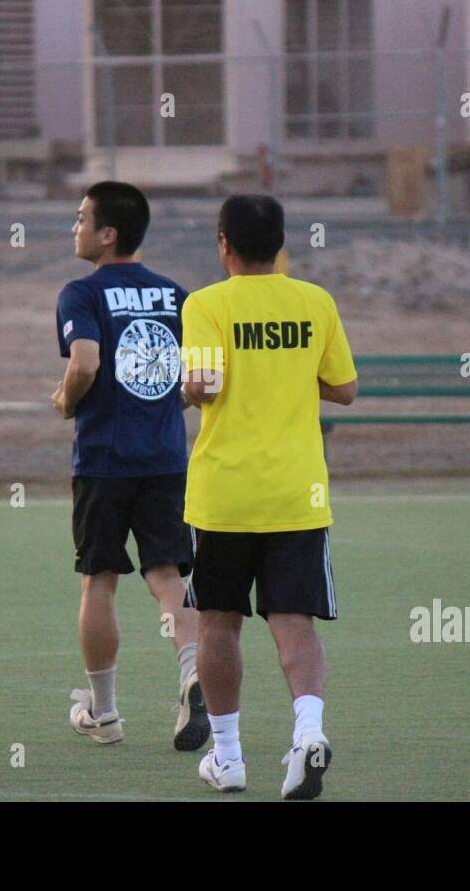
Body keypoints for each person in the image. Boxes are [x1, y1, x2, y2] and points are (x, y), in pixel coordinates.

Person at [180, 194, 358, 799]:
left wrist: (179, 390)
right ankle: (307, 733)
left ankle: (227, 758)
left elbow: (204, 384)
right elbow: (345, 388)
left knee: (218, 624)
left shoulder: (205, 304)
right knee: (294, 623)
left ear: (224, 243)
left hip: (225, 494)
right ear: (281, 243)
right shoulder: (315, 302)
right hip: (296, 494)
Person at [52, 181, 207, 751]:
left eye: (81, 218)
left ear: (107, 233)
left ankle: (106, 713)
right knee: (169, 576)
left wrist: (67, 400)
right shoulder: (177, 296)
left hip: (105, 459)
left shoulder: (81, 294)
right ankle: (193, 672)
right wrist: (173, 402)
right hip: (166, 458)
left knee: (100, 579)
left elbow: (86, 361)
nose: (75, 227)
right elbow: (200, 381)